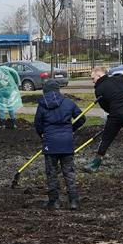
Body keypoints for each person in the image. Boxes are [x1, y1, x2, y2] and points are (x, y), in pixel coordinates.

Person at [34, 79, 86, 210]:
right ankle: (73, 201)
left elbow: (38, 124)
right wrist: (71, 129)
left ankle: (54, 201)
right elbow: (81, 118)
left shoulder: (42, 105)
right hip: (66, 142)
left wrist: (43, 134)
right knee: (69, 172)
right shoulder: (68, 103)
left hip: (50, 143)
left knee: (51, 173)